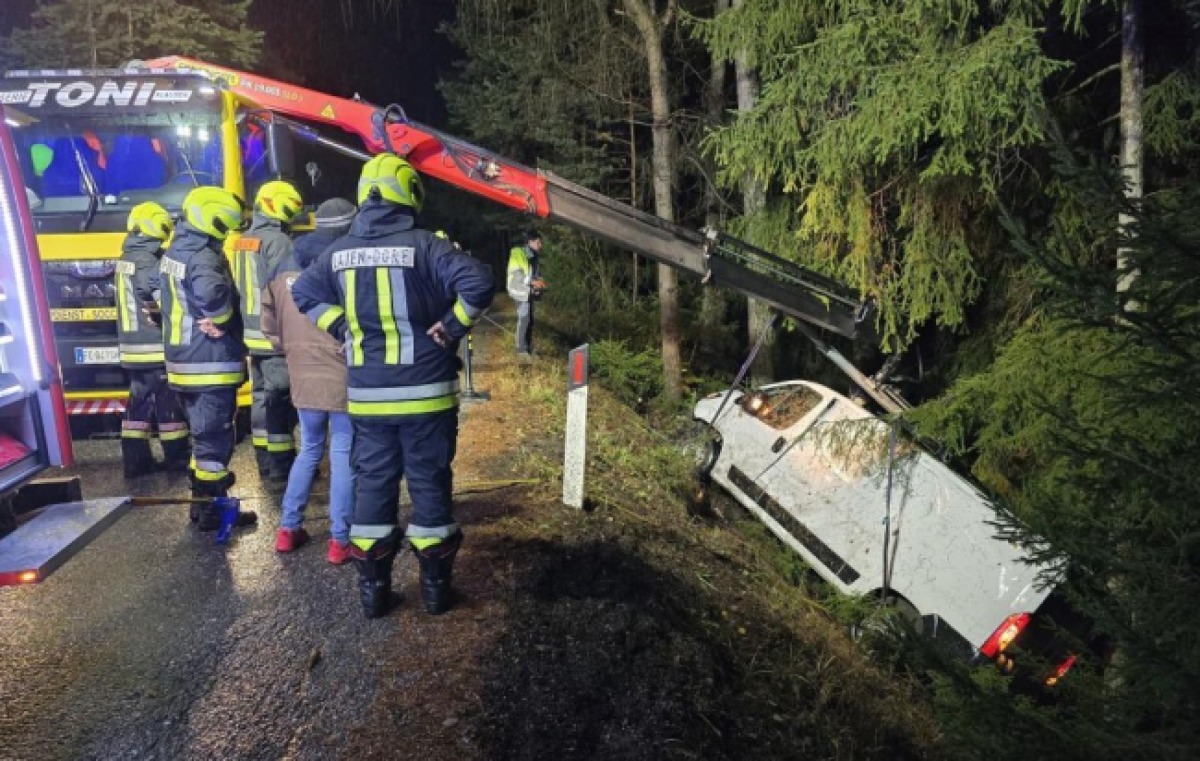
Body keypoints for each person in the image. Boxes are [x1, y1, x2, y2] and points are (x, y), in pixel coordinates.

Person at [292, 154, 494, 618]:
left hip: (368, 401)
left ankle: (375, 597)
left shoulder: (337, 252)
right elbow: (478, 282)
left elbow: (303, 292)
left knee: (373, 488)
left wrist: (341, 325)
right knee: (429, 485)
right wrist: (451, 326)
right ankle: (437, 594)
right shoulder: (426, 245)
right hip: (426, 397)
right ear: (409, 193)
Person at [261, 198, 358, 563]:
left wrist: (291, 349)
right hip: (340, 369)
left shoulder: (284, 264)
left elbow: (269, 324)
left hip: (300, 371)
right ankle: (340, 540)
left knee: (310, 448)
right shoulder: (344, 261)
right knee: (344, 451)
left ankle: (288, 529)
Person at [160, 186, 256, 531]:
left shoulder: (177, 249)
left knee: (202, 439)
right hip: (208, 363)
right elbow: (214, 296)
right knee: (214, 441)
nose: (227, 234)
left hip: (184, 363)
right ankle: (213, 513)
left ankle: (202, 508)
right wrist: (226, 320)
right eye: (226, 227)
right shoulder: (202, 256)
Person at [232, 180, 304, 486]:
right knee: (279, 401)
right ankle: (282, 467)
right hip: (272, 335)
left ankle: (264, 460)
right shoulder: (278, 241)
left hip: (250, 333)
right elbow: (287, 288)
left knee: (261, 398)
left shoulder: (243, 240)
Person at [116, 202, 190, 478]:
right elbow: (163, 298)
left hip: (133, 347)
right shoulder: (148, 262)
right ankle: (178, 459)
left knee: (138, 405)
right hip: (153, 347)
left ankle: (135, 463)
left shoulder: (127, 257)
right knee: (168, 406)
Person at [507, 230, 544, 357]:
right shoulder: (518, 253)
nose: (540, 245)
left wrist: (540, 282)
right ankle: (521, 349)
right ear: (530, 242)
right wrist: (534, 282)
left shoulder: (534, 256)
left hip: (527, 291)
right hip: (519, 290)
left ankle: (527, 347)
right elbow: (519, 275)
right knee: (524, 318)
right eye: (538, 242)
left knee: (530, 320)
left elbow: (535, 274)